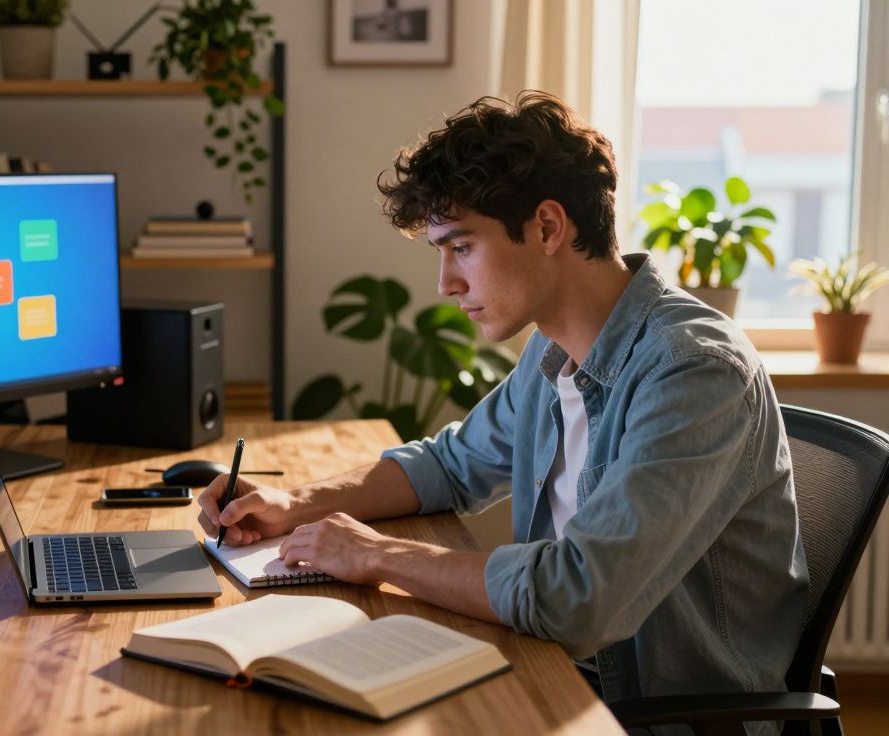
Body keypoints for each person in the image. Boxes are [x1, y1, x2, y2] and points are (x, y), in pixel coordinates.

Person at [197, 92, 808, 715]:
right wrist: (291, 503)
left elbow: (580, 599)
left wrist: (376, 554)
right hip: (549, 664)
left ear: (547, 227)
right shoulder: (551, 353)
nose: (446, 284)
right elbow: (449, 466)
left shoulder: (692, 368)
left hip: (653, 716)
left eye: (461, 247)